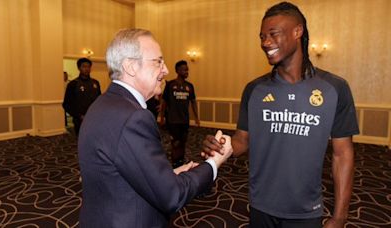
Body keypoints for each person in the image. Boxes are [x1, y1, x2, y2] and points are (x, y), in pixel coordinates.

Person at [202, 2, 359, 228]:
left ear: (297, 32)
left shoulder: (334, 88)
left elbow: (343, 155)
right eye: (262, 37)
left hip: (306, 211)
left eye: (273, 34)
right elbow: (242, 140)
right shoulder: (254, 89)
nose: (265, 43)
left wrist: (340, 217)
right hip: (260, 206)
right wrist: (223, 145)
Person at [77, 28, 233, 228]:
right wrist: (215, 162)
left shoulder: (103, 104)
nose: (166, 70)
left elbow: (120, 172)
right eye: (158, 61)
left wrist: (169, 176)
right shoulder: (133, 117)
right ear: (131, 66)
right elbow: (172, 196)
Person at [160, 60, 201, 168]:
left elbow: (193, 102)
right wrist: (161, 117)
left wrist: (197, 118)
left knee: (183, 142)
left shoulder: (190, 86)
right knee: (175, 143)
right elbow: (164, 102)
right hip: (173, 120)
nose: (187, 72)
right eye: (184, 69)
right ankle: (174, 164)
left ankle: (181, 162)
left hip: (184, 120)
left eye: (187, 69)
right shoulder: (170, 85)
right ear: (177, 71)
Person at [62, 58, 101, 136]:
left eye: (88, 67)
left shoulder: (95, 83)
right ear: (79, 68)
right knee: (82, 143)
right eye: (84, 66)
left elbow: (99, 100)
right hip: (80, 120)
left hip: (94, 119)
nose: (86, 69)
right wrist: (79, 116)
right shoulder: (73, 84)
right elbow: (66, 104)